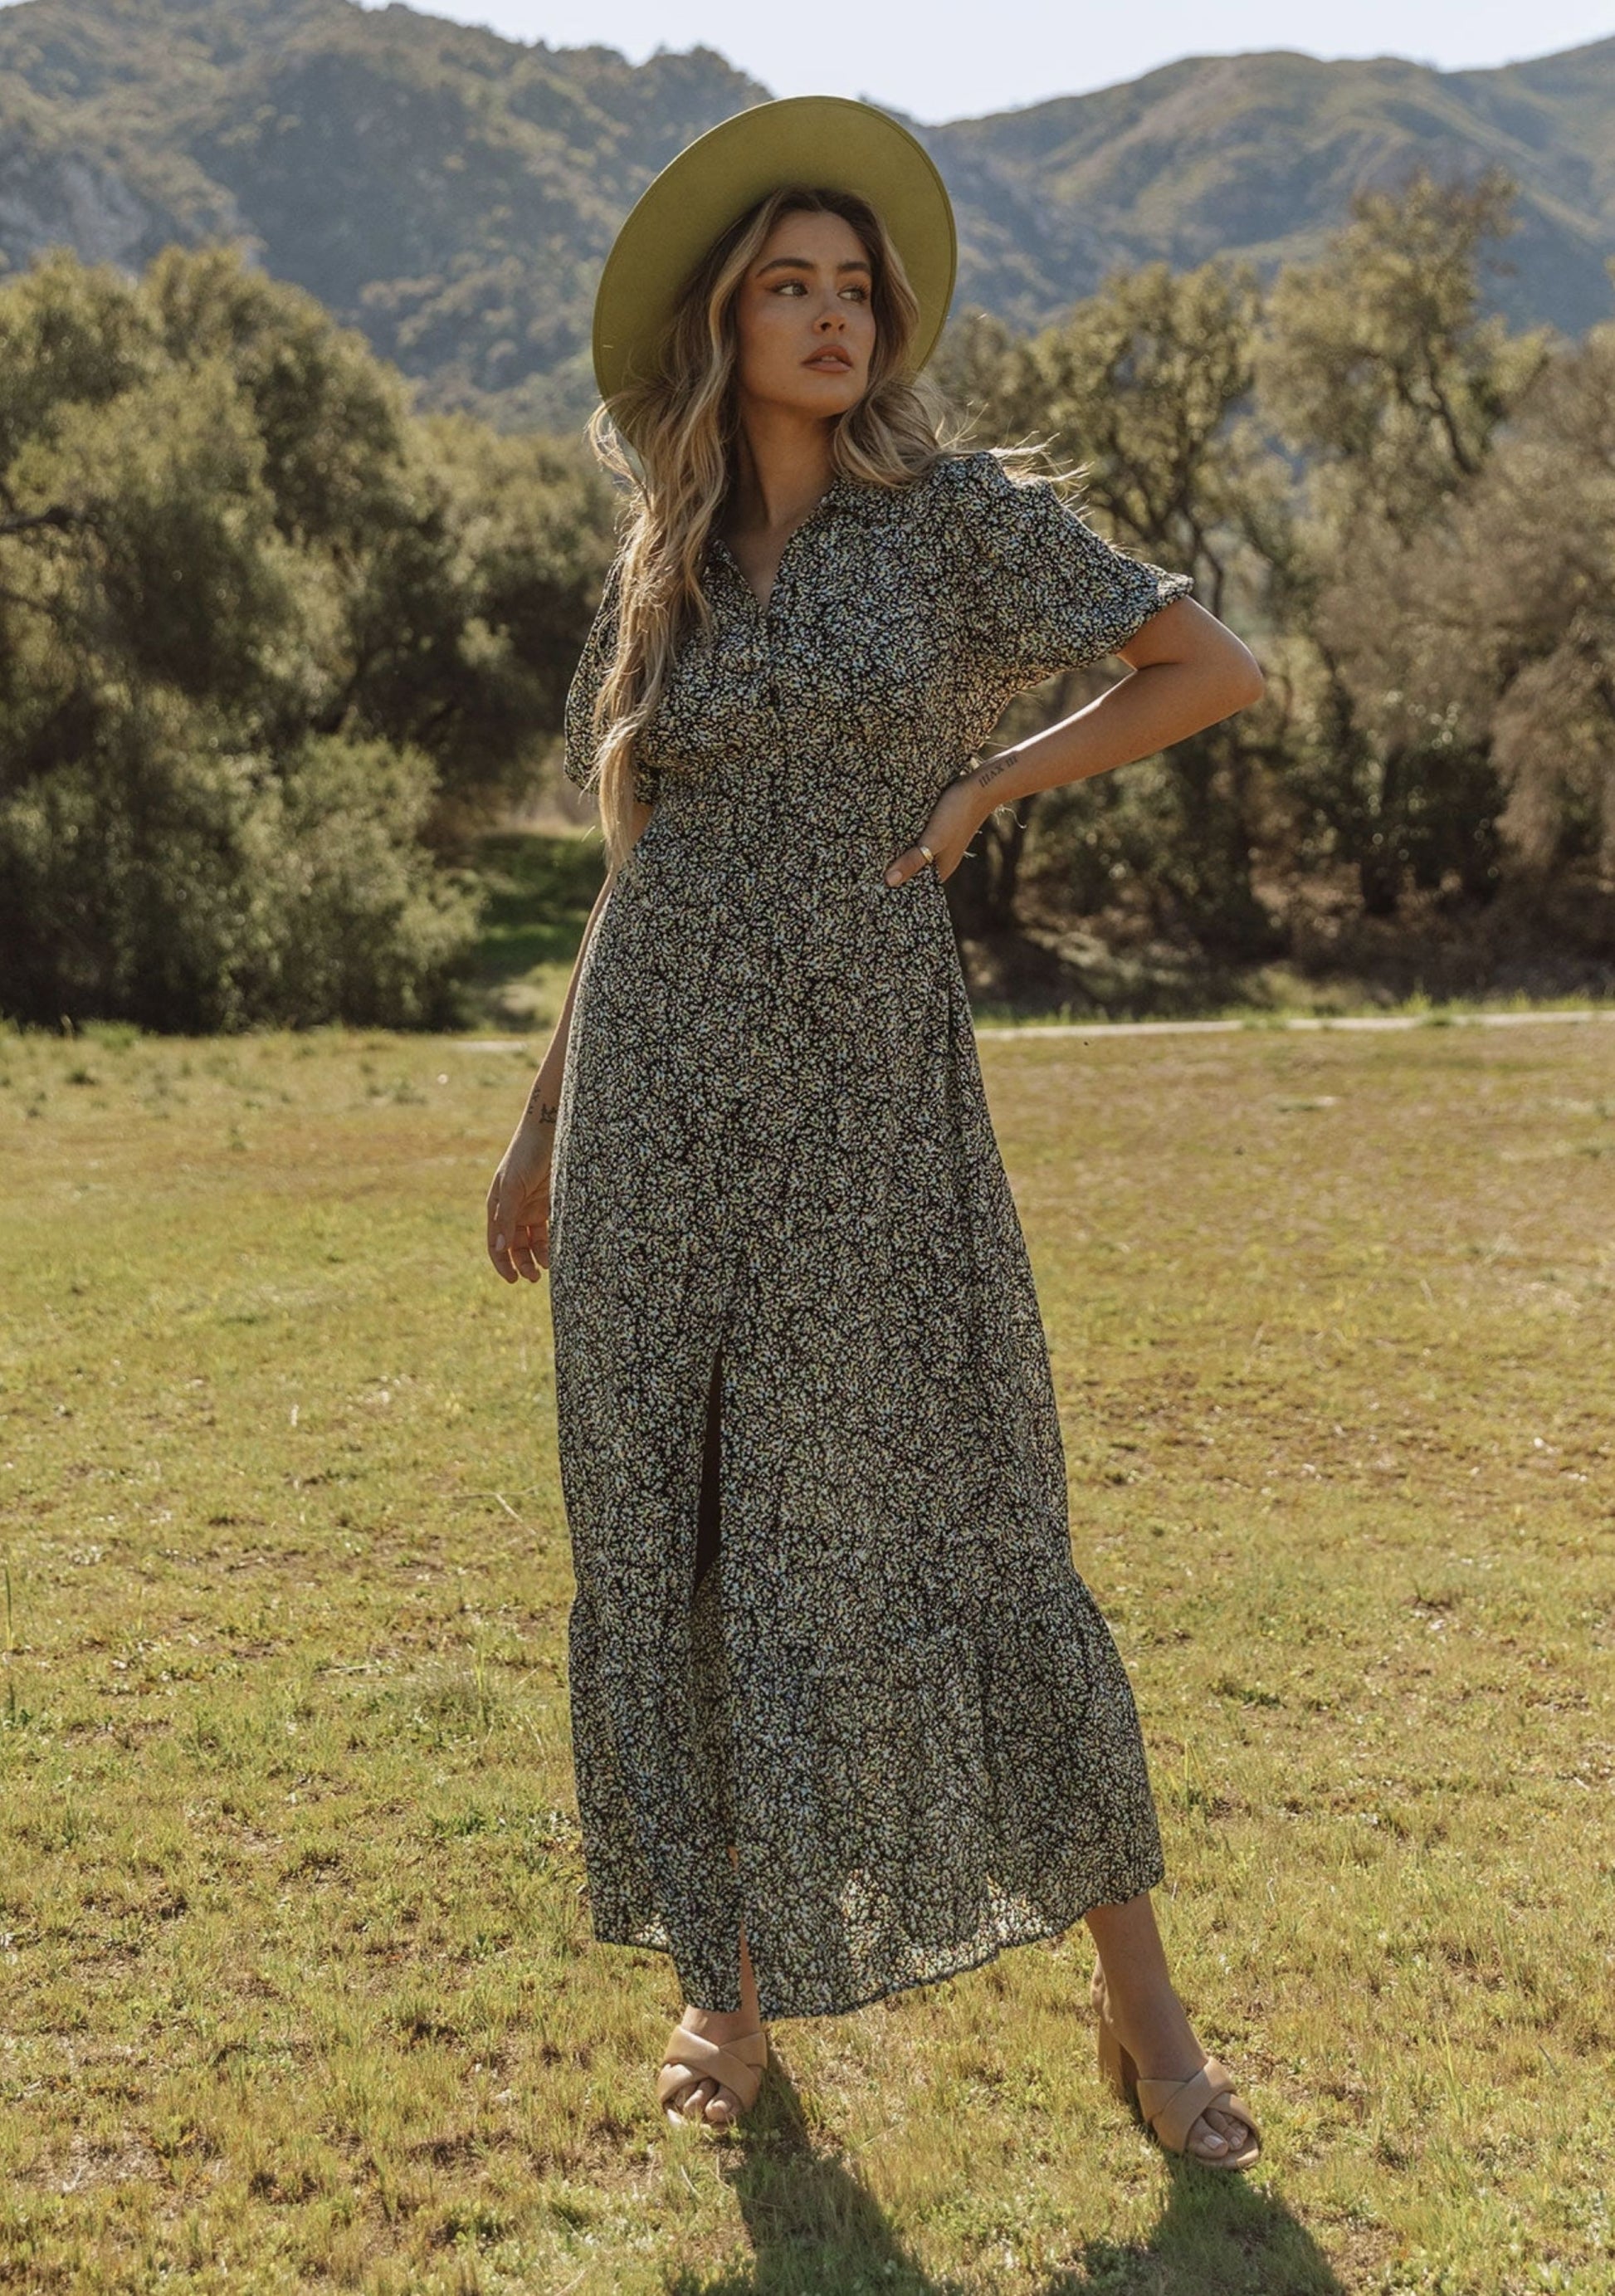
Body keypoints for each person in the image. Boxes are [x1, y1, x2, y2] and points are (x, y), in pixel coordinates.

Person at [486, 95, 1266, 2170]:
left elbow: (1210, 667)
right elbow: (631, 870)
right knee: (682, 1536)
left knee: (975, 1516)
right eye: (789, 288)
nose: (832, 319)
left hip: (867, 1109)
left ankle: (1145, 2018)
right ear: (724, 325)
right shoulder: (662, 566)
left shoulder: (953, 522)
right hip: (656, 1111)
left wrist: (990, 779)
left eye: (856, 289)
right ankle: (719, 1998)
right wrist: (538, 1122)